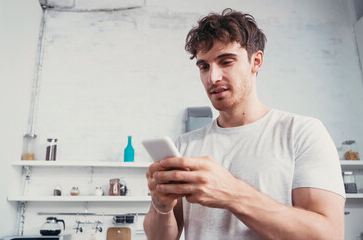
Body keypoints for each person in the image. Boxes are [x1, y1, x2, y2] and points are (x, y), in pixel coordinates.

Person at [143, 8, 345, 240]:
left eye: (226, 62)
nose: (213, 78)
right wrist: (161, 205)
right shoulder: (186, 145)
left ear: (256, 61)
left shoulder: (302, 133)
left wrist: (232, 194)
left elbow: (329, 234)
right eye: (204, 67)